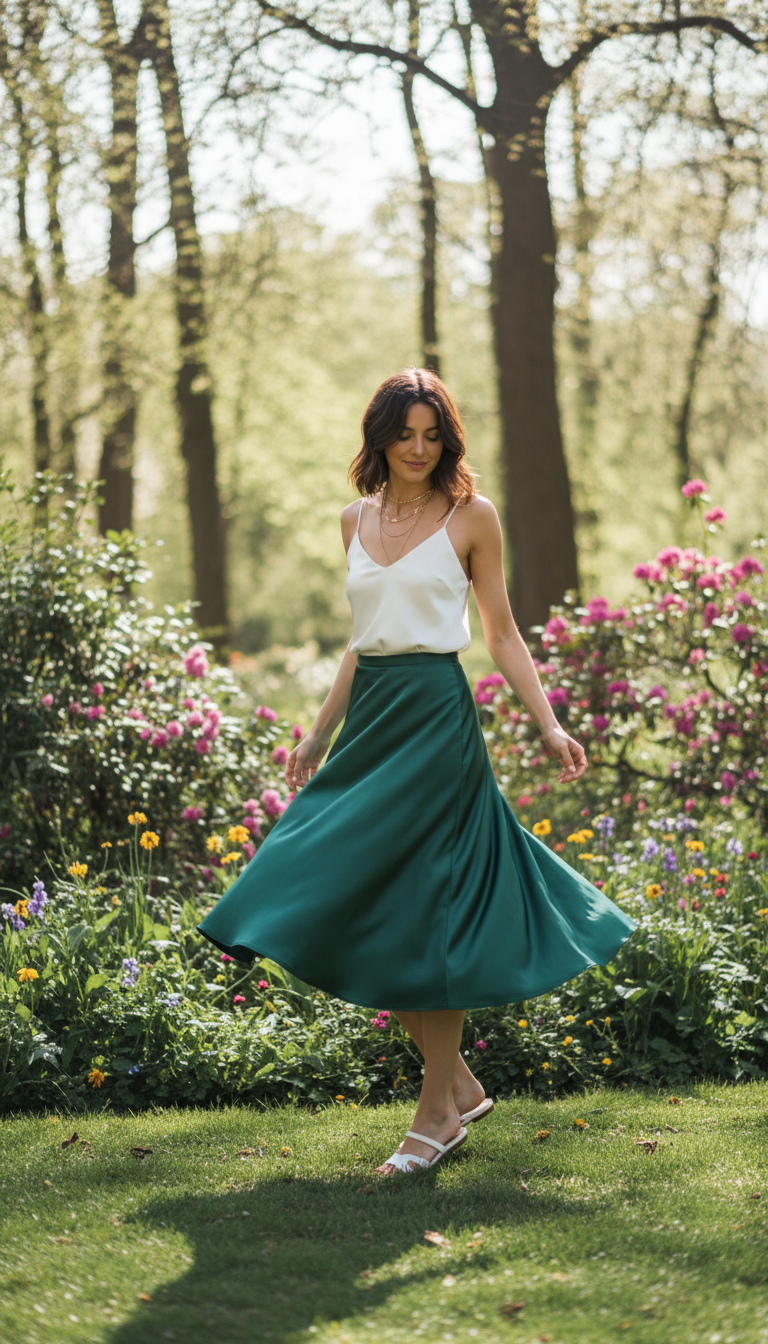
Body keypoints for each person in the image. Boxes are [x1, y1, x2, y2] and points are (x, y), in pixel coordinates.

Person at [198, 368, 636, 1175]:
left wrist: (547, 722)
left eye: (433, 435)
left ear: (448, 440)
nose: (419, 448)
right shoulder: (353, 519)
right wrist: (316, 737)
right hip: (373, 719)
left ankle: (436, 1113)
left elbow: (501, 633)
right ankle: (458, 1083)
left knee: (431, 905)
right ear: (380, 436)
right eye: (405, 433)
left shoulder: (473, 517)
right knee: (351, 889)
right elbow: (361, 642)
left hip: (438, 717)